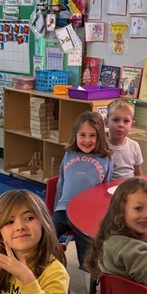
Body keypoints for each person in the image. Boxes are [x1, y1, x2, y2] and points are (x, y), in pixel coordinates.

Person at [52, 111, 113, 266]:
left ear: (100, 136)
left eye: (92, 135)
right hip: (63, 210)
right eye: (82, 135)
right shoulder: (69, 153)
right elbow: (61, 183)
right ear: (75, 135)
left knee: (87, 260)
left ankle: (91, 284)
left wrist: (102, 218)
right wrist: (54, 209)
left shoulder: (106, 158)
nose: (87, 140)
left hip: (87, 214)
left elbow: (106, 190)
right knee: (43, 239)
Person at [106, 98, 144, 180]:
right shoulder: (102, 146)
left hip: (130, 188)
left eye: (126, 121)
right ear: (106, 122)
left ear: (132, 125)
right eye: (116, 120)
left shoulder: (134, 146)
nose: (121, 125)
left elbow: (138, 174)